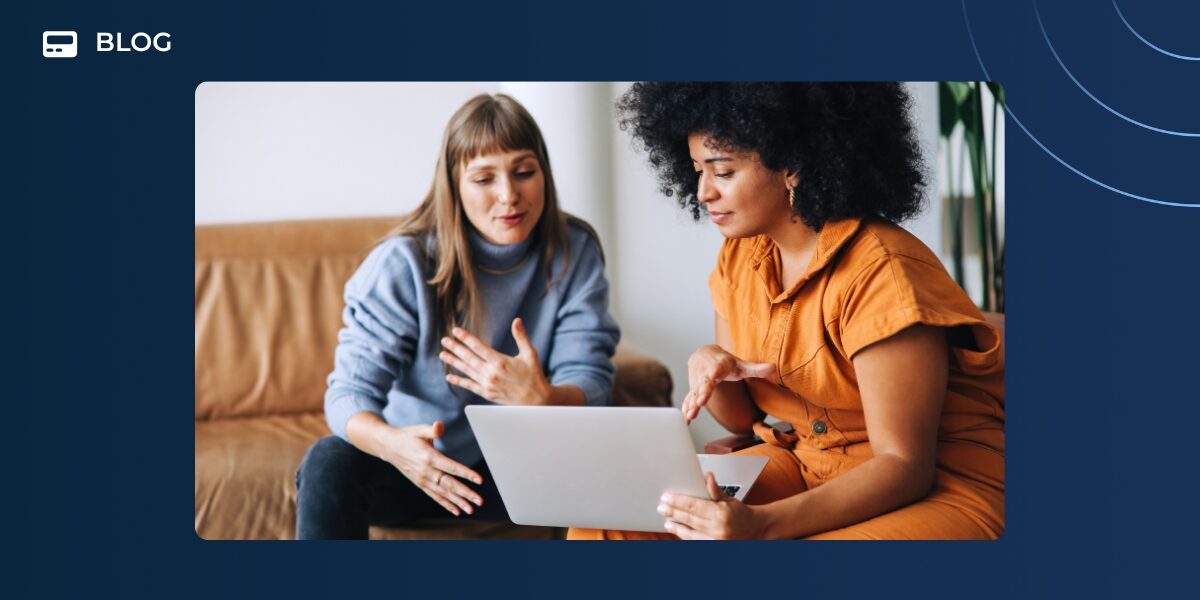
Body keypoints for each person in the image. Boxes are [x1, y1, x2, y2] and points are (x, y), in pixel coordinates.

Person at [570, 82, 1003, 540]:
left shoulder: (883, 272)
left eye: (722, 171)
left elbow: (904, 465)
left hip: (941, 486)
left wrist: (761, 526)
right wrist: (710, 364)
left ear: (792, 164)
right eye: (697, 170)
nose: (703, 191)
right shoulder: (739, 256)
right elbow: (742, 421)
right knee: (609, 527)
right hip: (805, 462)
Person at [296, 94, 620, 539]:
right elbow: (348, 395)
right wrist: (396, 447)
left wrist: (542, 397)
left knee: (607, 462)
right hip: (414, 463)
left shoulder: (574, 249)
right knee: (328, 460)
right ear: (454, 185)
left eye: (524, 172)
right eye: (484, 178)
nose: (509, 195)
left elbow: (591, 380)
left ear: (544, 173)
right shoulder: (403, 263)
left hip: (518, 465)